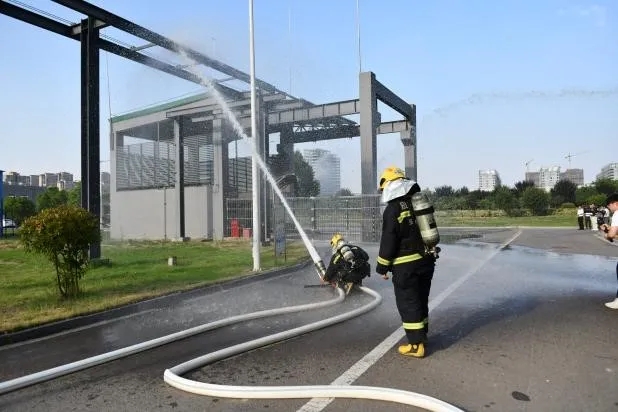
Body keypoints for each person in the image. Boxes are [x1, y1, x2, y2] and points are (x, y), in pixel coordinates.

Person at [376, 166, 437, 358]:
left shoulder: (393, 209)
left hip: (406, 266)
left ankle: (416, 345)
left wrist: (382, 266)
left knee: (408, 303)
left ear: (388, 186)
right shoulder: (417, 202)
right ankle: (423, 336)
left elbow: (389, 239)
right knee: (421, 300)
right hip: (426, 261)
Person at [599, 193, 618, 310]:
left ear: (616, 203)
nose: (608, 207)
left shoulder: (617, 214)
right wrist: (610, 229)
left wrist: (607, 234)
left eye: (609, 205)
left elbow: (611, 235)